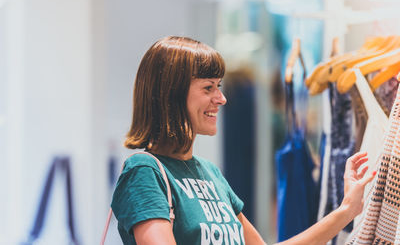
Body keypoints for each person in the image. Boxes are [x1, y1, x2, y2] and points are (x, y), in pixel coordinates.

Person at [111, 36, 376, 245]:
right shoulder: (144, 172)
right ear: (173, 94)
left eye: (220, 86)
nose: (221, 98)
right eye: (208, 88)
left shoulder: (209, 173)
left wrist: (347, 210)